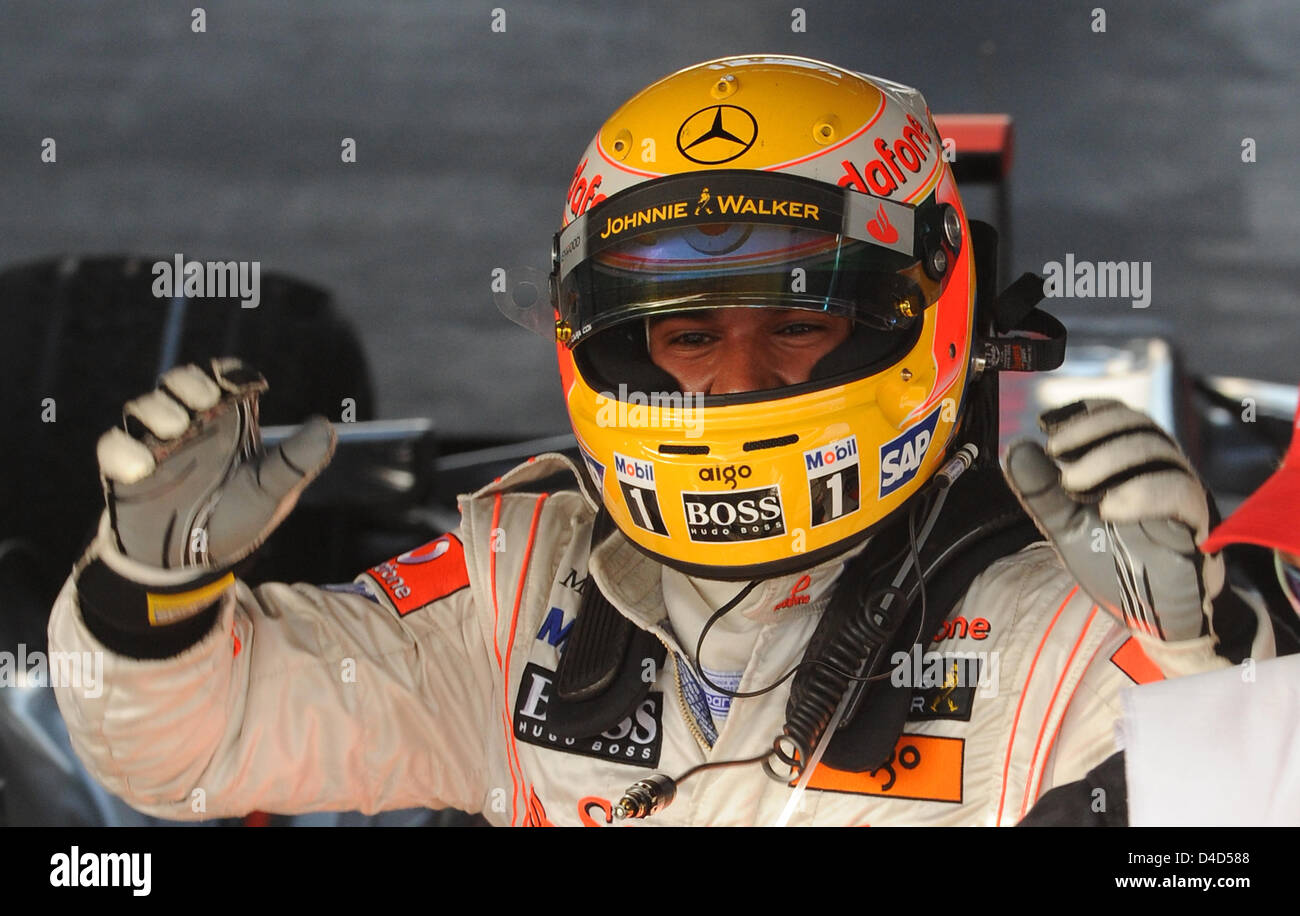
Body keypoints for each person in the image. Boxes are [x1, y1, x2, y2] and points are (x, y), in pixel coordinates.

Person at [47, 55, 1271, 827]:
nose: (735, 381)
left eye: (797, 323)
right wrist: (141, 597)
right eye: (682, 335)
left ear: (933, 318)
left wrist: (1196, 667)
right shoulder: (517, 587)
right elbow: (184, 755)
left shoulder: (1076, 621)